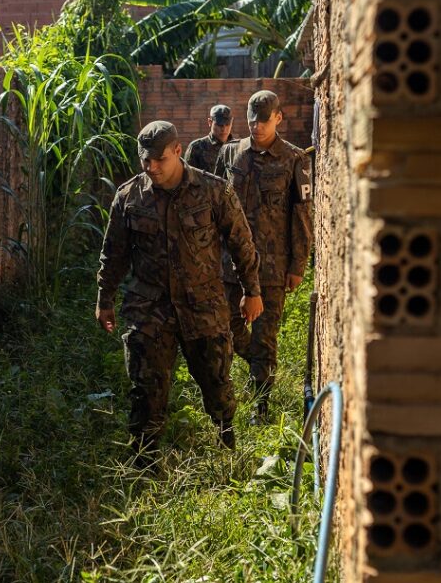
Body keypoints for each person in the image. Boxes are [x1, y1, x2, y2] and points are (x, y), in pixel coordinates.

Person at [95, 120, 263, 459]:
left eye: (160, 159)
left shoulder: (213, 191)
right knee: (146, 389)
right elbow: (113, 253)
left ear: (177, 150)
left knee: (216, 382)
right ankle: (145, 460)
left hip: (203, 305)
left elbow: (241, 242)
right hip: (149, 309)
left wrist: (252, 290)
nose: (151, 167)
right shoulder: (129, 197)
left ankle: (226, 444)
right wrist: (105, 297)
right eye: (145, 160)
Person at [218, 91, 312, 424]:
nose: (256, 126)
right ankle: (256, 365)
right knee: (228, 327)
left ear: (278, 118)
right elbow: (217, 206)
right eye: (252, 120)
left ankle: (261, 406)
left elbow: (302, 216)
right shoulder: (230, 153)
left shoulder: (294, 159)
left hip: (271, 267)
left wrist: (297, 265)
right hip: (231, 265)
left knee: (265, 335)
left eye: (263, 120)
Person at [183, 104, 237, 174]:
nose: (224, 129)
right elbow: (188, 177)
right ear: (210, 122)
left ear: (231, 122)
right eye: (219, 125)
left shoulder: (238, 147)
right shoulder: (196, 147)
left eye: (227, 124)